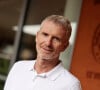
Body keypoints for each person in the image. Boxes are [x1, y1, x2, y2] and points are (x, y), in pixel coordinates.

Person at [4, 15, 82, 90]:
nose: (48, 43)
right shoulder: (18, 68)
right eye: (45, 34)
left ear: (65, 46)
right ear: (37, 36)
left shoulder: (71, 85)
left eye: (56, 39)